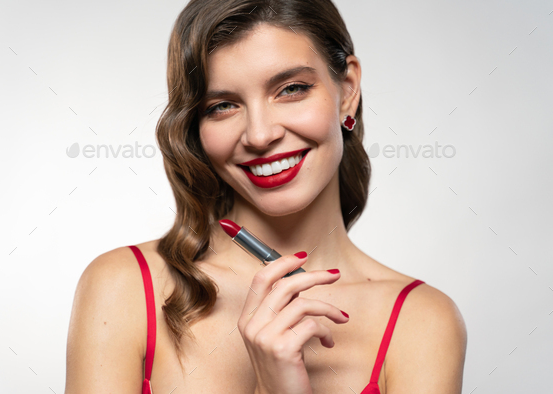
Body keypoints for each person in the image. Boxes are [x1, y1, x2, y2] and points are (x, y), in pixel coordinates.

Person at [65, 1, 467, 393]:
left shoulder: (423, 321)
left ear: (347, 89)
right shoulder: (124, 287)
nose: (259, 135)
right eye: (222, 106)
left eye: (291, 89)